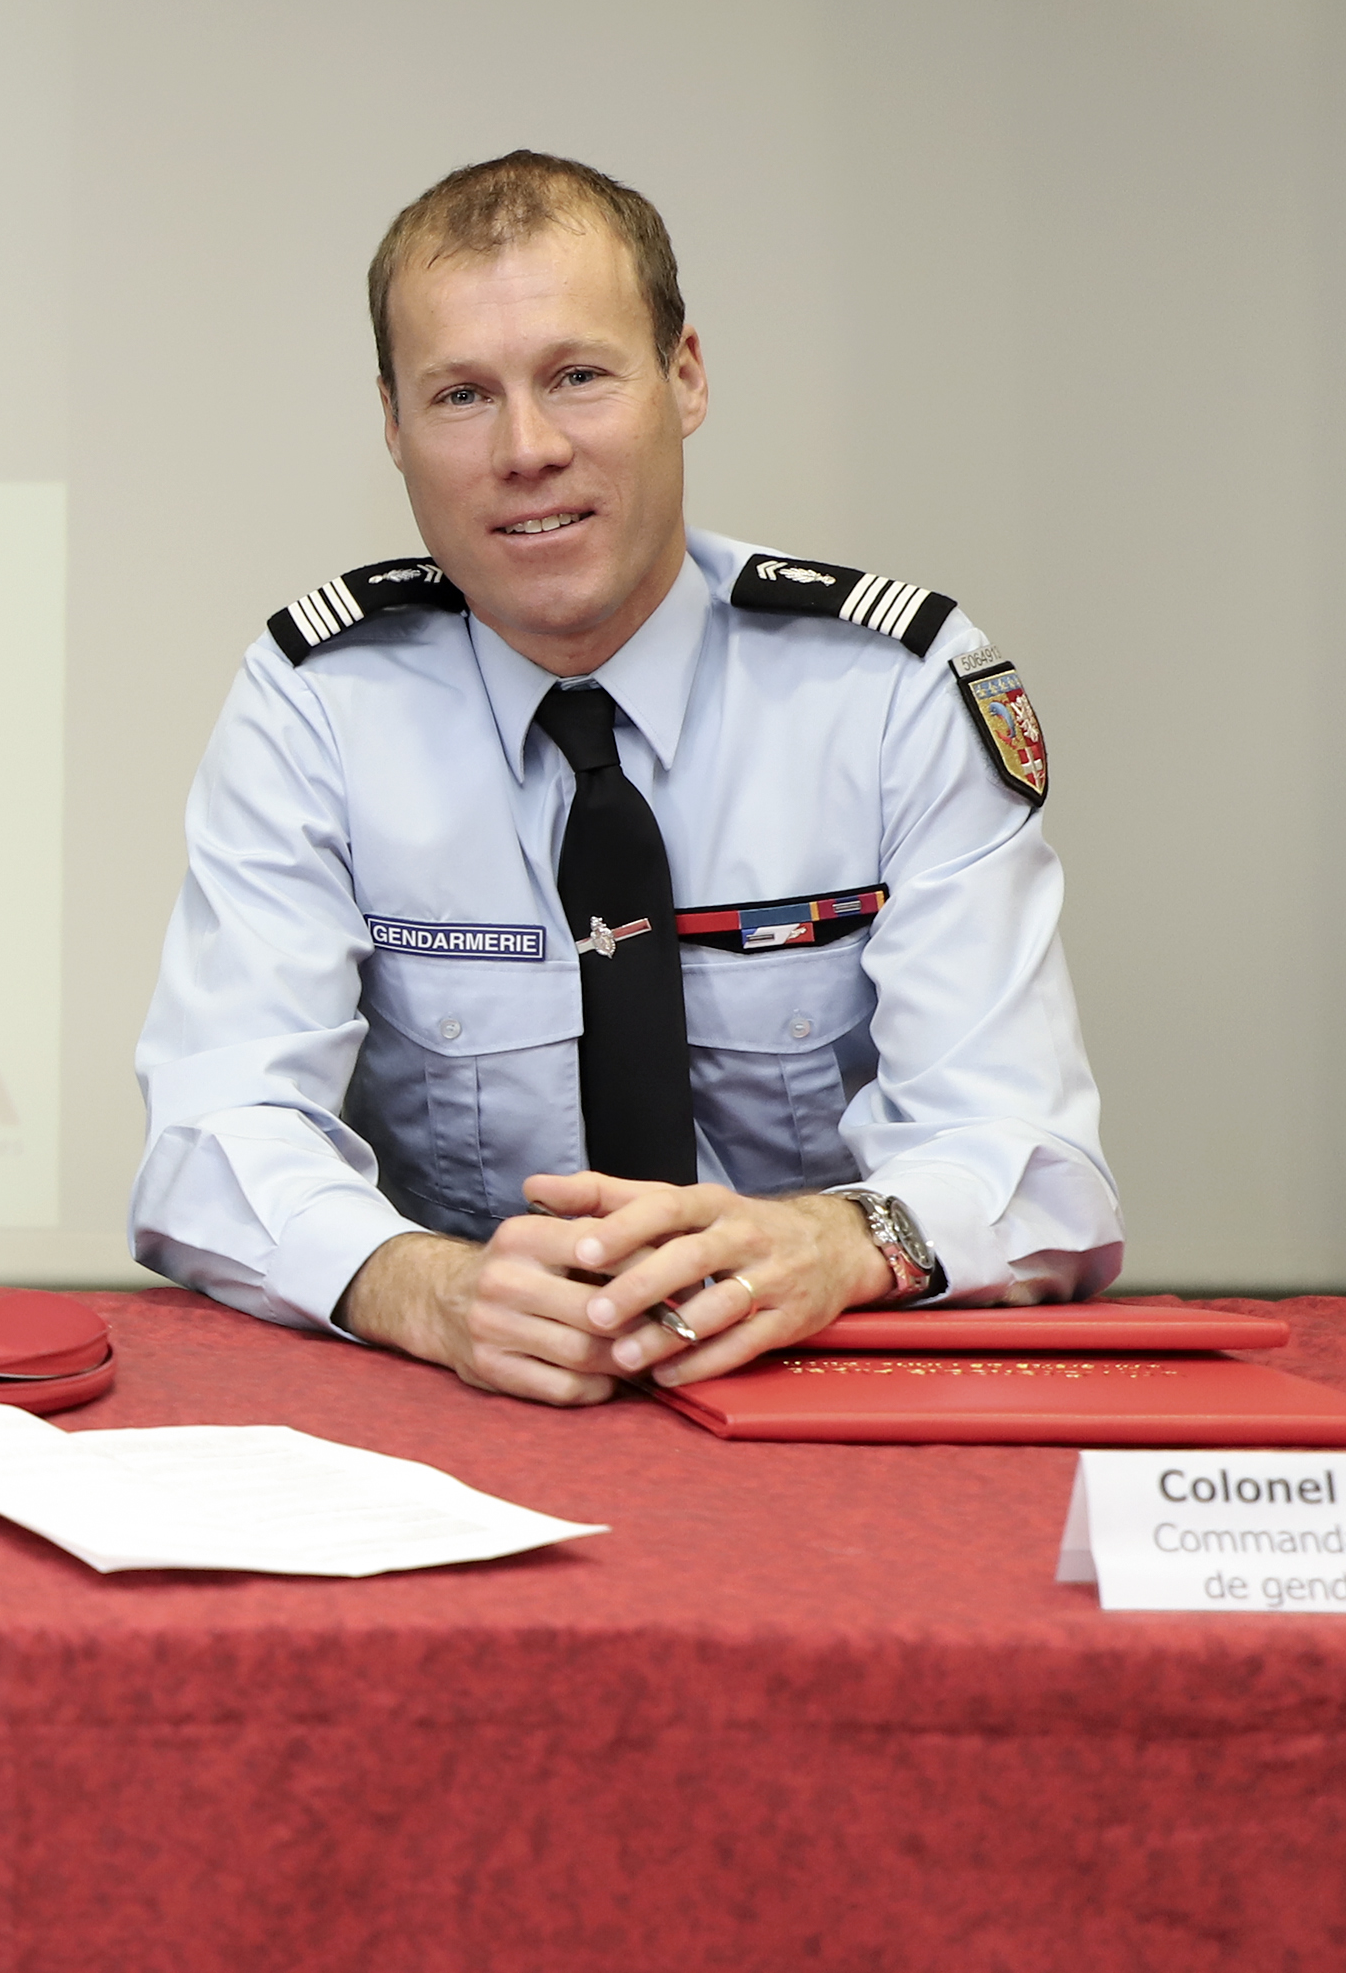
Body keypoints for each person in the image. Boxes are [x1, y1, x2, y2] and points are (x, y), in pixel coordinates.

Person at [130, 153, 1119, 1402]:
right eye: (458, 396)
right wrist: (418, 1285)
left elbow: (1028, 1155)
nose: (525, 449)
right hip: (475, 1403)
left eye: (577, 376)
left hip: (817, 1395)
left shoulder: (892, 691)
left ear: (685, 377)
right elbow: (213, 1132)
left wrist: (836, 1243)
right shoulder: (319, 700)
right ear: (390, 425)